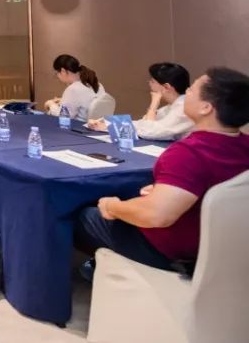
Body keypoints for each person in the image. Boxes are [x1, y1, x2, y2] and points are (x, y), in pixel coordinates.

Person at [74, 67, 249, 273]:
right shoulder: (243, 145)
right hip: (227, 247)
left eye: (192, 90)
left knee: (79, 215)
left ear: (206, 108)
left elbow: (156, 215)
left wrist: (112, 206)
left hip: (171, 253)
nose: (186, 92)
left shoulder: (189, 153)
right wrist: (164, 191)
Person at [87, 62, 193, 141]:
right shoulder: (172, 106)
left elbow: (150, 131)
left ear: (166, 87)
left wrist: (154, 104)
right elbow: (143, 124)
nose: (149, 83)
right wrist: (109, 125)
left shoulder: (184, 108)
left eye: (152, 81)